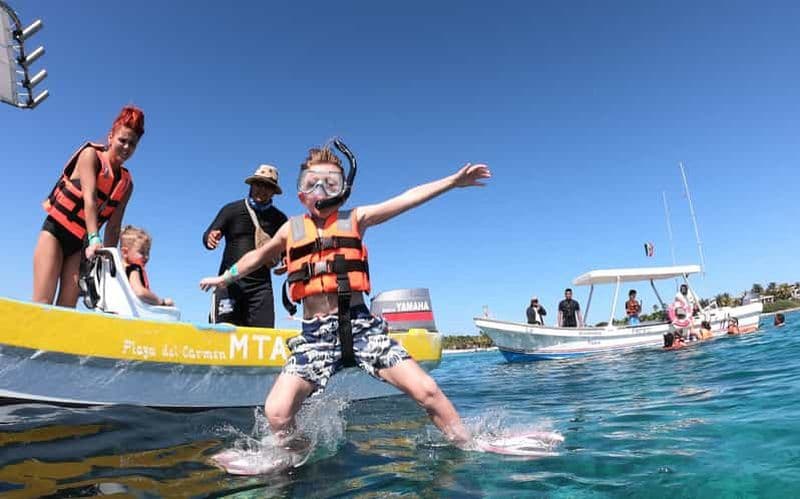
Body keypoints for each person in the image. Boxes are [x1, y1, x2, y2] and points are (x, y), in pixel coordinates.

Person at [200, 142, 490, 447]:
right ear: (301, 194)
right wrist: (224, 276)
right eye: (312, 184)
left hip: (360, 327)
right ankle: (295, 453)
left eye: (331, 183)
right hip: (315, 336)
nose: (321, 191)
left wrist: (453, 182)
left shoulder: (357, 217)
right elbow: (255, 258)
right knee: (277, 412)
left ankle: (467, 444)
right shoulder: (290, 229)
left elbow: (406, 199)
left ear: (342, 190)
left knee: (427, 390)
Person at [33, 106, 144, 307]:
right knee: (42, 303)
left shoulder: (127, 184)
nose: (127, 147)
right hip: (56, 233)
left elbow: (113, 227)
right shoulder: (90, 156)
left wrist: (109, 263)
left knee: (66, 308)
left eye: (133, 144)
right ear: (111, 137)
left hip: (80, 246)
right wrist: (94, 238)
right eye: (123, 140)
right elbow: (90, 199)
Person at [203, 165, 288, 327]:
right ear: (251, 185)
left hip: (261, 290)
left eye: (268, 187)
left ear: (273, 192)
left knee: (262, 339)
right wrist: (211, 238)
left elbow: (286, 248)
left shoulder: (280, 219)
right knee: (223, 338)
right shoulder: (232, 210)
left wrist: (286, 261)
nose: (262, 190)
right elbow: (208, 235)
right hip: (229, 284)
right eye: (258, 184)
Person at [119, 225, 173, 307]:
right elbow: (139, 292)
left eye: (147, 253)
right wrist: (161, 302)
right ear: (125, 252)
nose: (146, 257)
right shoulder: (134, 269)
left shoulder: (120, 271)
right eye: (142, 252)